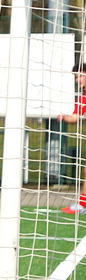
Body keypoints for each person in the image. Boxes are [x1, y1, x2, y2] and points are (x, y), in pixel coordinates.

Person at [58, 63, 86, 214]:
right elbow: (75, 117)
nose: (77, 80)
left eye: (80, 76)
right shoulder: (82, 97)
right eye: (76, 77)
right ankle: (82, 205)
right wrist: (64, 117)